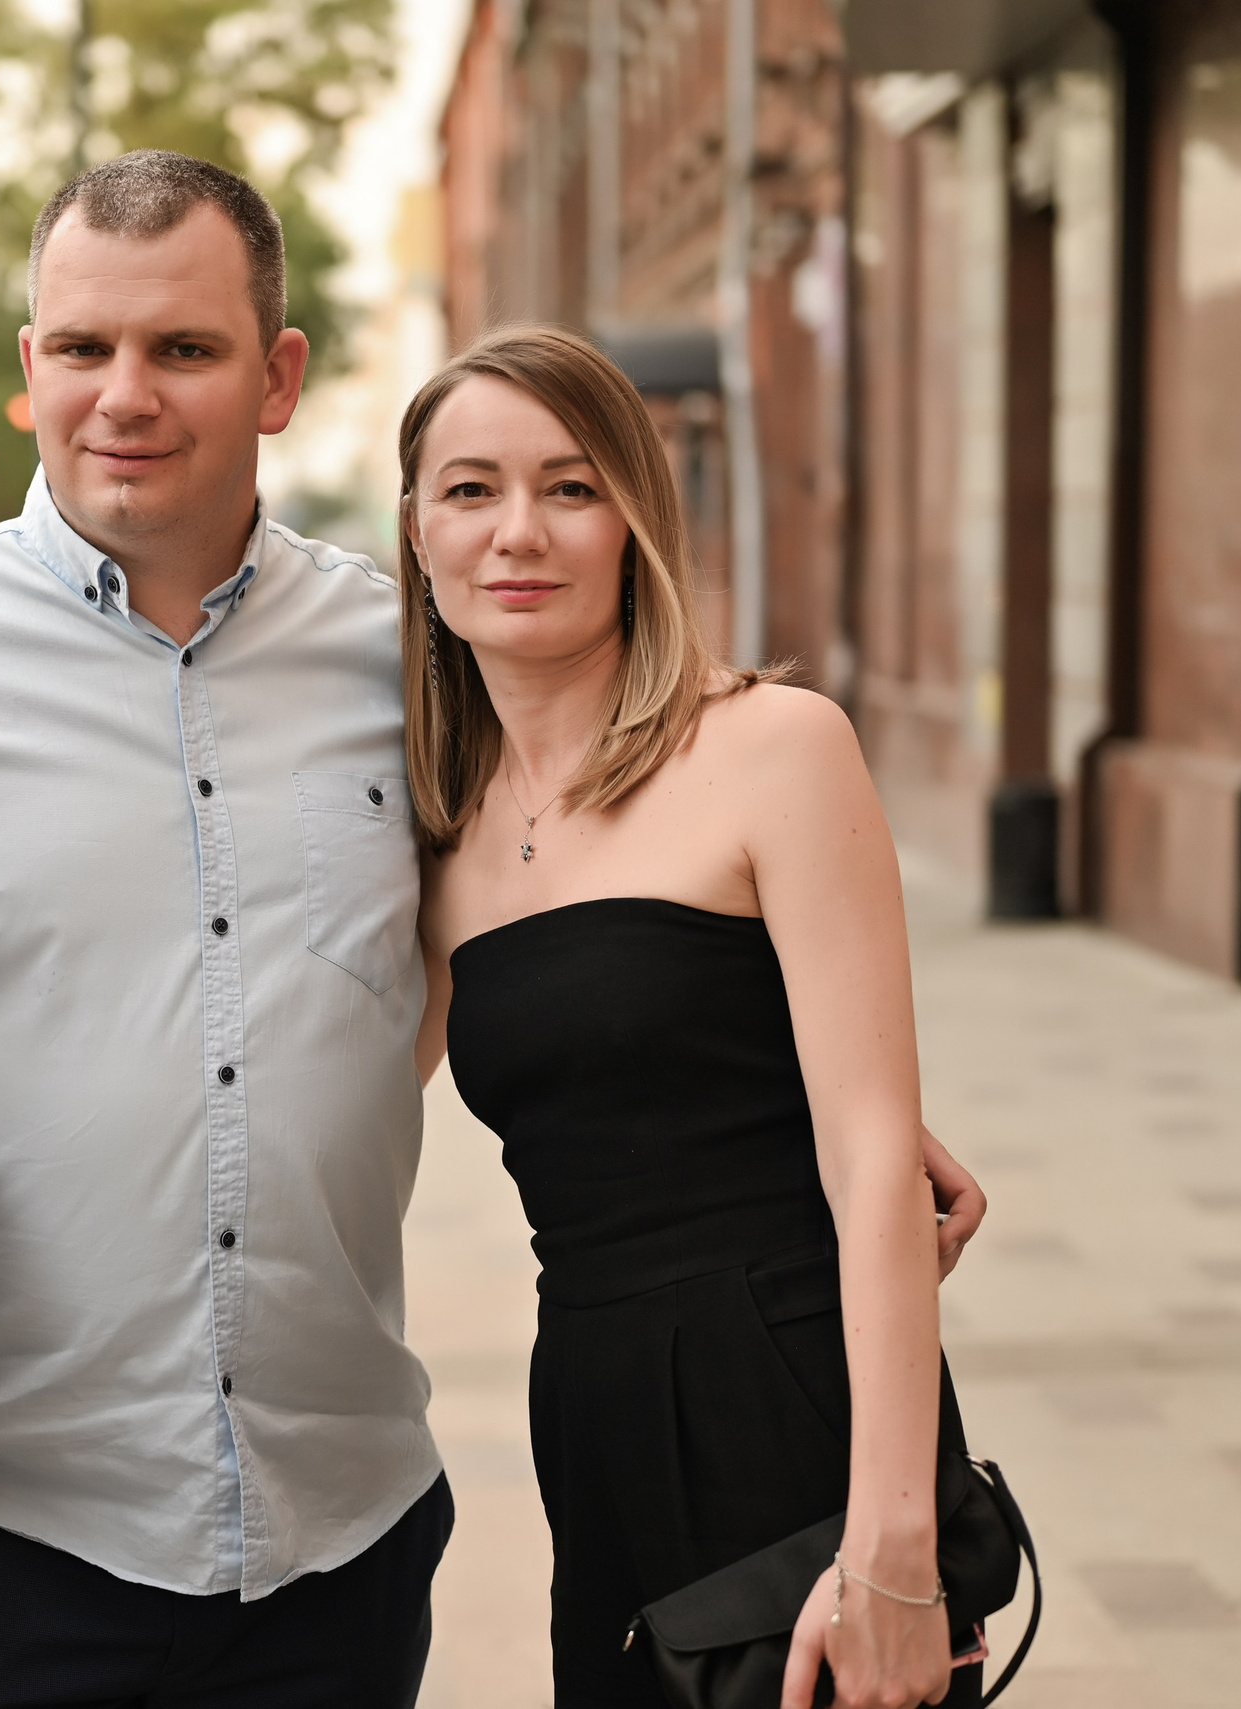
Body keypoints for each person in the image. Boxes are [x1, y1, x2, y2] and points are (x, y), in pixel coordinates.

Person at [0, 151, 985, 1708]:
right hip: (22, 1524)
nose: (125, 393)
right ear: (29, 370)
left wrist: (828, 1129)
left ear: (277, 378)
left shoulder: (405, 660)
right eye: (83, 347)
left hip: (343, 1531)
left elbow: (592, 933)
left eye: (182, 349)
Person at [403, 326, 976, 1708]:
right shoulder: (436, 828)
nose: (518, 533)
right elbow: (330, 1095)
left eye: (573, 486)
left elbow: (871, 1166)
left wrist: (893, 1545)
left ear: (636, 523)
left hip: (788, 1402)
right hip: (591, 1411)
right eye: (471, 490)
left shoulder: (774, 747)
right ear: (417, 535)